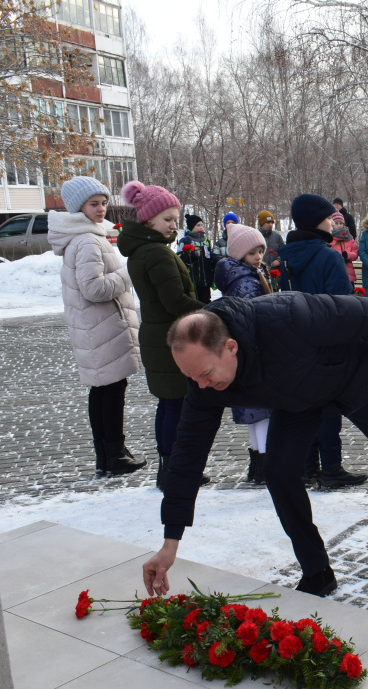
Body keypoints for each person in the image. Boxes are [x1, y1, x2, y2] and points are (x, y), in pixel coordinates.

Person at [140, 295, 368, 598]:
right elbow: (187, 455)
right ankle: (317, 572)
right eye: (192, 377)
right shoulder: (204, 381)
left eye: (206, 374)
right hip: (297, 399)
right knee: (279, 472)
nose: (201, 385)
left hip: (352, 377)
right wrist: (171, 541)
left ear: (230, 347)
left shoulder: (287, 317)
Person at [49, 175, 145, 477]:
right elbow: (94, 288)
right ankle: (114, 454)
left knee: (103, 390)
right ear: (79, 207)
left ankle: (107, 454)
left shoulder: (82, 236)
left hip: (96, 329)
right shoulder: (88, 240)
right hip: (102, 329)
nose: (101, 209)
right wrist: (127, 275)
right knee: (112, 391)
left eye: (103, 203)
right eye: (94, 204)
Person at [118, 180, 210, 489]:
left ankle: (171, 468)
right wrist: (213, 313)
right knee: (177, 405)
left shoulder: (144, 250)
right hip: (169, 339)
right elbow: (175, 302)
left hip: (159, 336)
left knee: (169, 404)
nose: (174, 225)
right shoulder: (156, 253)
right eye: (167, 219)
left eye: (175, 219)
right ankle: (175, 470)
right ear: (148, 219)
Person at [277, 193, 368, 489]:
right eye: (330, 218)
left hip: (295, 342)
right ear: (318, 222)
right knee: (329, 407)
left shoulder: (287, 256)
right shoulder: (329, 256)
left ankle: (307, 467)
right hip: (326, 342)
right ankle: (331, 468)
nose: (333, 222)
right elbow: (342, 305)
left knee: (305, 407)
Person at [214, 224, 274, 485]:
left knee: (255, 413)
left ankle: (259, 464)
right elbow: (255, 317)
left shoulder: (248, 275)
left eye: (261, 251)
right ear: (240, 255)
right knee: (261, 412)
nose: (259, 256)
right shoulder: (245, 282)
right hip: (254, 351)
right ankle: (265, 464)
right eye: (253, 253)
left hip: (248, 351)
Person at [176, 214, 215, 305]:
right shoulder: (185, 240)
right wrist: (193, 254)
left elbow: (210, 258)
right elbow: (179, 258)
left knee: (206, 304)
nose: (201, 227)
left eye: (202, 225)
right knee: (194, 305)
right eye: (198, 225)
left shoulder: (207, 240)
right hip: (192, 280)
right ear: (191, 226)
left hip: (205, 280)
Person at [329, 211, 359, 284]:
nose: (339, 225)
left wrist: (347, 255)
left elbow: (355, 253)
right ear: (332, 224)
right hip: (334, 271)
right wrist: (339, 256)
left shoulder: (349, 238)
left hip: (348, 273)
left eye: (341, 223)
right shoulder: (329, 238)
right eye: (336, 223)